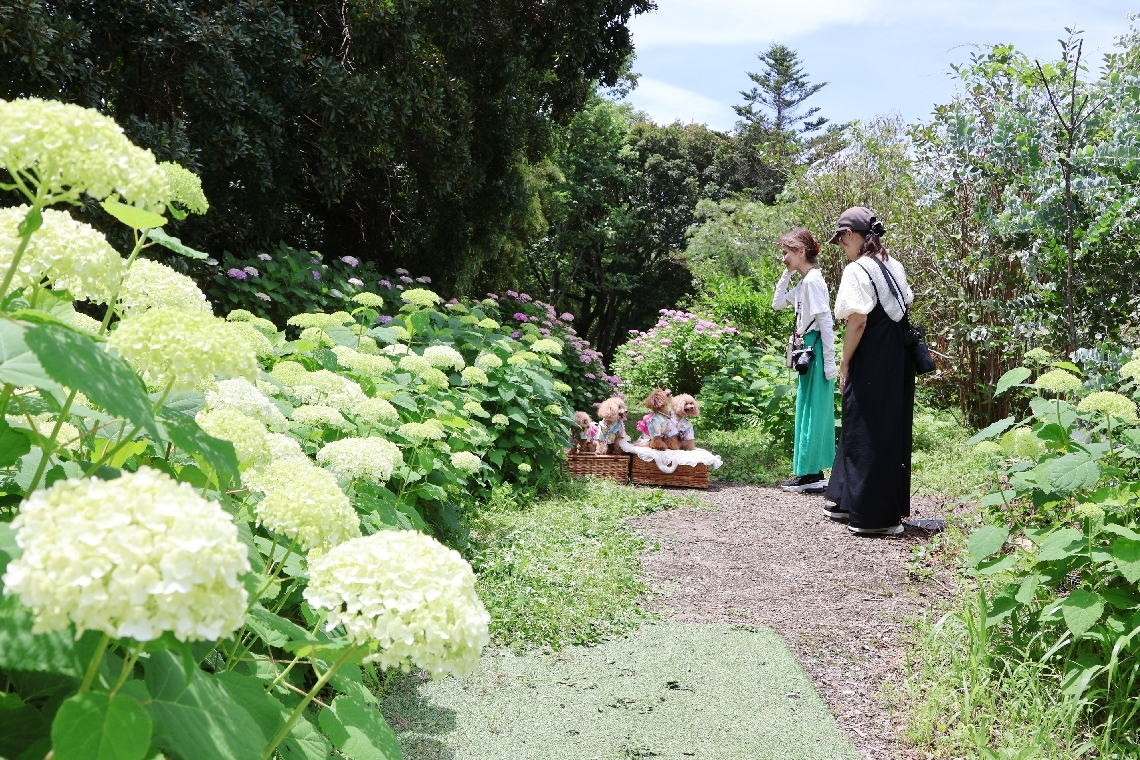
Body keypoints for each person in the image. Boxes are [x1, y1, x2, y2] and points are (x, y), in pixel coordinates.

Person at [823, 207, 915, 535]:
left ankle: (875, 518)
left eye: (841, 241)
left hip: (871, 355)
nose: (842, 249)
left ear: (850, 235)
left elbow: (858, 320)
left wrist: (845, 361)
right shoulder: (894, 265)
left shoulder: (857, 269)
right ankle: (849, 501)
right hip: (896, 356)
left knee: (866, 428)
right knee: (885, 427)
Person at [772, 228, 837, 493]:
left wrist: (830, 362)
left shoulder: (812, 282)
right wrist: (787, 272)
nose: (783, 257)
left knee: (814, 411)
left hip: (816, 351)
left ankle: (811, 475)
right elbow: (777, 303)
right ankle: (811, 473)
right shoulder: (805, 281)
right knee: (809, 410)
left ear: (801, 251)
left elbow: (825, 321)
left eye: (787, 252)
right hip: (808, 350)